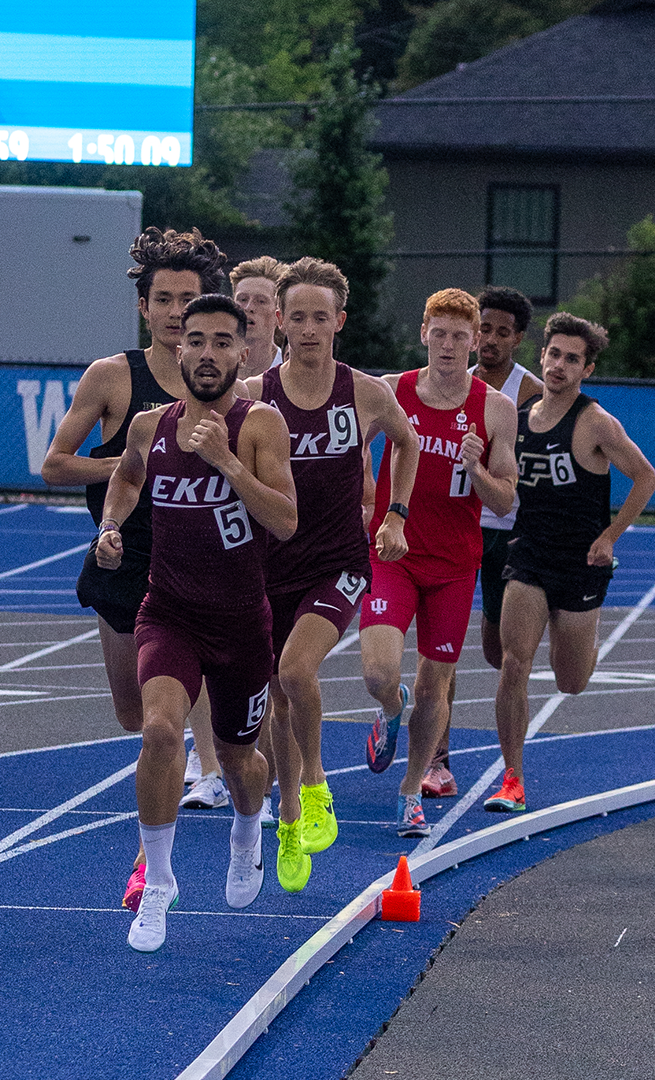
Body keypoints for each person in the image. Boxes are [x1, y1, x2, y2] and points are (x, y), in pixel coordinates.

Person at [39, 227, 234, 910]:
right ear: (145, 308)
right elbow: (55, 464)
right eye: (165, 299)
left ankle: (161, 851)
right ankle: (180, 746)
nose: (179, 311)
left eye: (189, 299)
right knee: (133, 714)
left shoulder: (230, 379)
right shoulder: (113, 376)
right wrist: (129, 465)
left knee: (164, 710)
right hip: (123, 557)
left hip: (200, 562)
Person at [94, 294, 297, 952]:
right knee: (158, 731)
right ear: (177, 351)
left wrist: (228, 465)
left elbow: (285, 522)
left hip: (240, 622)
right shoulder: (150, 427)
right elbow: (126, 480)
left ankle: (246, 835)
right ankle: (157, 883)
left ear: (244, 353)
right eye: (196, 340)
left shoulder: (261, 424)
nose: (207, 353)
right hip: (169, 611)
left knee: (242, 761)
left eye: (222, 342)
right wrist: (111, 527)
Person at [248, 257, 418, 892]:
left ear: (340, 321)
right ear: (279, 322)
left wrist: (395, 514)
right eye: (297, 317)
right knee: (274, 695)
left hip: (339, 561)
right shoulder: (254, 394)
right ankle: (290, 817)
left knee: (297, 672)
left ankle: (317, 787)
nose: (309, 328)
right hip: (268, 563)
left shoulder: (367, 392)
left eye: (321, 317)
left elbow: (408, 443)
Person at [359, 288, 518, 838]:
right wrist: (365, 502)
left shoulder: (495, 408)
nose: (449, 345)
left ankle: (410, 792)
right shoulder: (391, 391)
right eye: (440, 333)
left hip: (453, 564)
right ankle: (387, 706)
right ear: (423, 333)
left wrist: (477, 471)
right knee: (379, 672)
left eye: (460, 336)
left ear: (475, 342)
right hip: (393, 550)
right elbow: (356, 445)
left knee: (436, 686)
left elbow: (504, 500)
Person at [487, 314, 655, 812]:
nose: (560, 365)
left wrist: (610, 536)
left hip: (583, 561)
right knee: (514, 663)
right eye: (554, 355)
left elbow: (645, 478)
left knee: (571, 681)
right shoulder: (515, 420)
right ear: (541, 356)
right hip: (530, 554)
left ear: (588, 368)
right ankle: (512, 777)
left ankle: (588, 633)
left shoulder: (596, 422)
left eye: (572, 359)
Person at [424, 286, 544, 799]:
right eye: (484, 330)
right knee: (440, 654)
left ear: (517, 338)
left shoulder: (531, 394)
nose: (490, 340)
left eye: (501, 332)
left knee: (499, 652)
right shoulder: (453, 383)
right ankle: (438, 760)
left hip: (513, 533)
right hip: (458, 527)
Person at [231, 256, 286, 375]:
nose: (248, 308)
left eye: (261, 301)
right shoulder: (214, 366)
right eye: (243, 299)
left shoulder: (290, 370)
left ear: (279, 316)